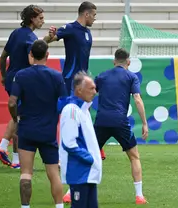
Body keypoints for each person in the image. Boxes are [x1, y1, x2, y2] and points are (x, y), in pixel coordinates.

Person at [43, 1, 104, 202]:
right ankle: (64, 158)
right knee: (69, 121)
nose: (95, 18)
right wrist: (50, 36)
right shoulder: (70, 29)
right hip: (71, 84)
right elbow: (49, 39)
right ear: (86, 14)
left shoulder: (88, 33)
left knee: (82, 122)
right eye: (94, 15)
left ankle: (84, 153)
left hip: (83, 84)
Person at [8, 40, 66, 208]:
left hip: (27, 130)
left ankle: (25, 207)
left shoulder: (21, 75)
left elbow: (12, 103)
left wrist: (15, 120)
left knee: (26, 173)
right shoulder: (56, 76)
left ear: (31, 55)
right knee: (53, 174)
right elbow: (63, 103)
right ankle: (59, 206)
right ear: (47, 55)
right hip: (48, 131)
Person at [94, 48, 148, 204]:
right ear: (129, 62)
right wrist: (145, 123)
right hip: (120, 122)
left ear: (114, 61)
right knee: (134, 156)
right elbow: (137, 99)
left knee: (87, 157)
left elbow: (89, 95)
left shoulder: (102, 76)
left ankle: (71, 192)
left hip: (101, 121)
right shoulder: (131, 77)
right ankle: (139, 196)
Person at [0, 4, 44, 169]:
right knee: (20, 118)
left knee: (18, 116)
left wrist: (3, 76)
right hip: (22, 82)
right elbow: (33, 62)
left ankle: (15, 159)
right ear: (32, 19)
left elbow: (3, 57)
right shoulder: (31, 39)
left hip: (10, 78)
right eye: (40, 18)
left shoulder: (15, 33)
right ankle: (2, 148)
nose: (43, 21)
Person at [59, 72, 102, 208]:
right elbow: (69, 143)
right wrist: (89, 158)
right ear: (79, 90)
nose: (95, 92)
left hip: (87, 173)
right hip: (79, 172)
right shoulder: (72, 110)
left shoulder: (83, 110)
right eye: (91, 88)